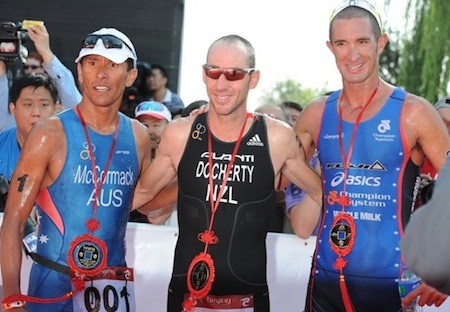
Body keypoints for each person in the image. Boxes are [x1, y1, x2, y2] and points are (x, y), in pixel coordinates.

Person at [132, 34, 322, 312]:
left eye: (233, 74)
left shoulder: (276, 138)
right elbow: (143, 195)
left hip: (247, 299)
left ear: (253, 79)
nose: (221, 84)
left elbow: (320, 191)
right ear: (204, 75)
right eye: (214, 72)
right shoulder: (180, 133)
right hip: (186, 297)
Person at [294, 1, 450, 311]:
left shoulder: (414, 112)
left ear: (380, 43)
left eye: (362, 41)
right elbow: (274, 169)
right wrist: (217, 117)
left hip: (391, 287)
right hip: (325, 284)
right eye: (342, 43)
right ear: (331, 47)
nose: (352, 54)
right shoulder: (315, 113)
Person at [0, 27, 152, 312]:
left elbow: (151, 204)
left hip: (112, 290)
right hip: (52, 288)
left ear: (130, 76)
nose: (101, 74)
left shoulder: (139, 135)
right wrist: (11, 296)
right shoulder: (49, 133)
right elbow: (13, 219)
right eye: (92, 63)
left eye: (113, 65)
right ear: (80, 72)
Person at [129, 100, 175, 224]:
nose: (149, 131)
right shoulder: (124, 160)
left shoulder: (178, 164)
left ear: (169, 127)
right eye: (144, 125)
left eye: (156, 125)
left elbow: (157, 218)